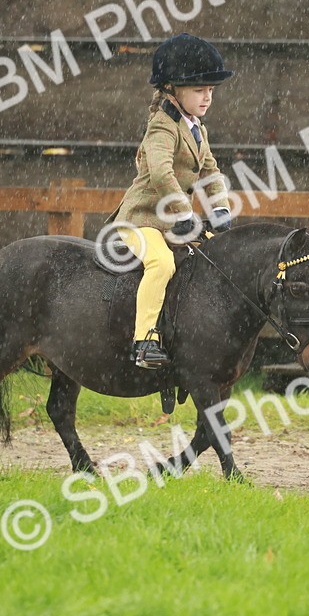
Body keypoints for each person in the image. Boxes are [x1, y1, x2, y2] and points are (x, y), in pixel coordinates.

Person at [107, 33, 234, 369]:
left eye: (211, 90)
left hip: (175, 222)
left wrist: (220, 207)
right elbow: (162, 174)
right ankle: (144, 341)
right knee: (161, 263)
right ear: (173, 90)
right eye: (199, 90)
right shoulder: (162, 128)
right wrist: (185, 214)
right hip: (142, 221)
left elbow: (211, 170)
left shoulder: (197, 129)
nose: (207, 97)